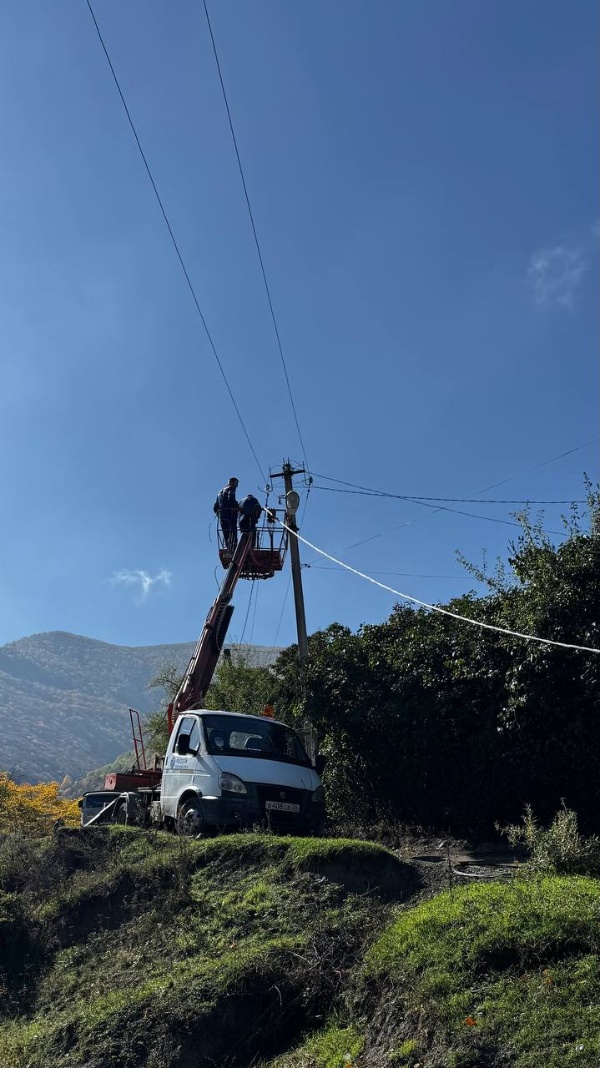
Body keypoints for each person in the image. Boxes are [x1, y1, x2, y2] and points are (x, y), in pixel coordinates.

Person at [213, 477, 239, 551]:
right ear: (231, 482)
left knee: (226, 532)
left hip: (222, 515)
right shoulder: (230, 489)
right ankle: (234, 546)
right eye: (236, 483)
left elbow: (215, 507)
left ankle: (228, 547)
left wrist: (218, 513)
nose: (236, 486)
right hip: (230, 514)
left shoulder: (219, 493)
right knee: (233, 530)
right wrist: (235, 505)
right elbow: (230, 497)